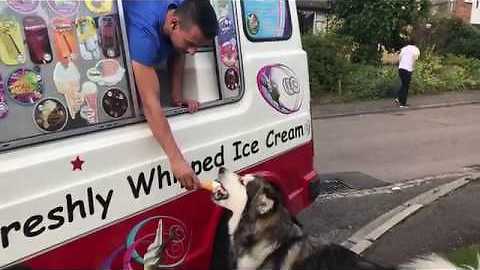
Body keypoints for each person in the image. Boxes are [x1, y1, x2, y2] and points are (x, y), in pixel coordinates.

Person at [123, 0, 218, 190]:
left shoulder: (183, 10)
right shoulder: (144, 34)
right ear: (173, 22)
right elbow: (150, 104)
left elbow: (178, 50)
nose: (193, 52)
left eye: (198, 46)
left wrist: (177, 96)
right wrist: (177, 160)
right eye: (191, 44)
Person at [394, 41, 420, 108]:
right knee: (406, 87)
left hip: (401, 69)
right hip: (407, 69)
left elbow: (399, 59)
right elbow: (414, 59)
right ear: (415, 44)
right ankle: (402, 104)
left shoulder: (404, 48)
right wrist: (413, 69)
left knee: (403, 85)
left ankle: (398, 98)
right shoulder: (416, 50)